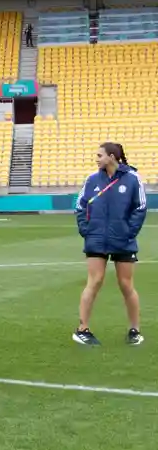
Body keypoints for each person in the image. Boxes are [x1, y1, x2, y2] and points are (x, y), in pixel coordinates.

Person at [74, 142, 146, 346]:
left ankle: (134, 330)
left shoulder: (132, 179)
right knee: (94, 281)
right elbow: (80, 205)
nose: (96, 159)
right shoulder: (92, 179)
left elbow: (140, 208)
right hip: (96, 239)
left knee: (126, 285)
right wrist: (86, 230)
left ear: (112, 156)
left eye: (99, 155)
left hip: (122, 239)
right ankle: (82, 329)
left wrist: (129, 232)